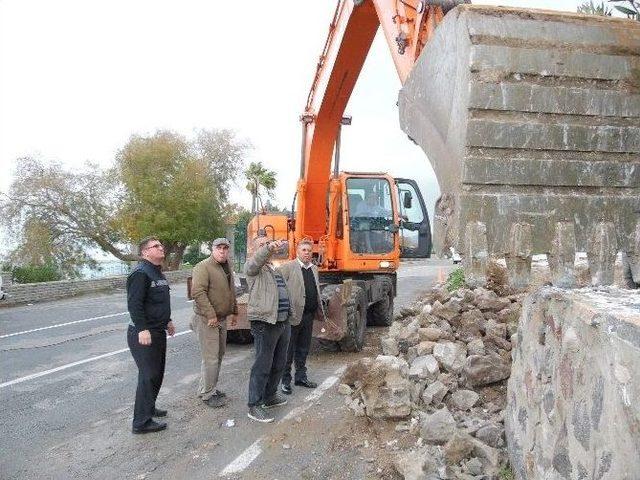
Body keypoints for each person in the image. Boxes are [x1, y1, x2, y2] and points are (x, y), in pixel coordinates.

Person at [126, 236, 175, 434]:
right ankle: (141, 422)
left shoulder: (157, 272)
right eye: (156, 246)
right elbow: (135, 304)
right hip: (144, 333)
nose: (161, 248)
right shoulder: (140, 273)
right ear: (145, 252)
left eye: (161, 245)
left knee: (157, 373)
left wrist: (168, 321)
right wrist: (142, 328)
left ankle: (149, 407)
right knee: (148, 375)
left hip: (158, 330)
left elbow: (160, 301)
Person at [244, 236, 292, 423]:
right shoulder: (253, 268)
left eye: (268, 243)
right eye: (262, 245)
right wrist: (267, 249)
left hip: (282, 321)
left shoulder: (273, 269)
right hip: (265, 322)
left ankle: (270, 396)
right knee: (262, 366)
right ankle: (254, 405)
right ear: (254, 249)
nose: (267, 247)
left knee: (279, 363)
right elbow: (254, 262)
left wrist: (290, 314)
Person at [190, 237, 238, 408]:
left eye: (226, 248)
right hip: (207, 320)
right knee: (211, 358)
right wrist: (210, 315)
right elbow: (198, 292)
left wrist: (234, 312)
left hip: (222, 319)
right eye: (219, 248)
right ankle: (207, 394)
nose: (222, 251)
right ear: (212, 249)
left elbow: (231, 292)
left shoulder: (226, 267)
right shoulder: (203, 267)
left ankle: (208, 388)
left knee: (218, 356)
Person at [277, 240, 325, 394]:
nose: (306, 253)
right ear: (297, 252)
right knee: (288, 350)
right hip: (293, 316)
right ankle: (285, 381)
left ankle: (301, 377)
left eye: (309, 251)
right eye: (304, 250)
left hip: (308, 315)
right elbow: (277, 285)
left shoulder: (314, 269)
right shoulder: (288, 267)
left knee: (303, 348)